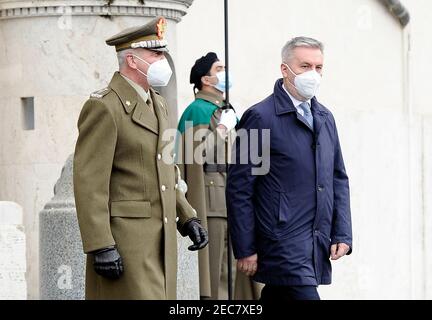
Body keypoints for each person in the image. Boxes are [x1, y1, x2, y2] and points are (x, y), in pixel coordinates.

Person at [73, 16, 208, 300]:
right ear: (132, 60)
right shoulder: (105, 107)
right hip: (126, 242)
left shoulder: (157, 102)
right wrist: (100, 244)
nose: (162, 61)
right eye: (155, 54)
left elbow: (168, 169)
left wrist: (188, 217)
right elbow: (90, 182)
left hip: (161, 241)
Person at [226, 37, 352, 301]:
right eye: (305, 66)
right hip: (281, 240)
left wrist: (341, 233)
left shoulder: (325, 118)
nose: (313, 74)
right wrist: (245, 247)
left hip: (315, 240)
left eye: (319, 67)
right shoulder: (260, 117)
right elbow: (240, 188)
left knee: (280, 294)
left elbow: (337, 178)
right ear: (285, 69)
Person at [176, 52, 263, 300]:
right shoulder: (198, 110)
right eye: (219, 68)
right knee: (216, 273)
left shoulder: (226, 109)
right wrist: (222, 128)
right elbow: (194, 156)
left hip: (234, 198)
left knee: (237, 273)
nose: (225, 72)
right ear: (206, 79)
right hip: (212, 201)